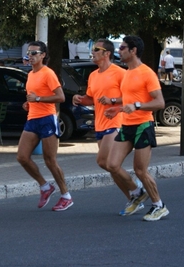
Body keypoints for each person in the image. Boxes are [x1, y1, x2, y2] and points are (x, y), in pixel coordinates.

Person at [72, 38, 144, 216]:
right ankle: (133, 198)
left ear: (107, 53)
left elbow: (131, 97)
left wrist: (113, 100)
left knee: (103, 161)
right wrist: (80, 99)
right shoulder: (93, 75)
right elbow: (91, 98)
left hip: (116, 122)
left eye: (96, 49)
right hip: (100, 124)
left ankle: (137, 190)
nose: (92, 52)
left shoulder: (120, 73)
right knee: (109, 166)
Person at [104, 35, 169, 221]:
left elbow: (159, 102)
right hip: (127, 125)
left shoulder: (147, 73)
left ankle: (159, 205)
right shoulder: (127, 74)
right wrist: (116, 108)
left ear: (133, 51)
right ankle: (137, 192)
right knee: (112, 165)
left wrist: (138, 106)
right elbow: (129, 99)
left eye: (123, 48)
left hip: (143, 125)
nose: (119, 51)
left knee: (140, 170)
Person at [17, 40, 73, 212]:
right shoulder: (30, 75)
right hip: (32, 118)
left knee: (50, 160)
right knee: (22, 157)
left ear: (43, 55)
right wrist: (29, 104)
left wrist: (39, 100)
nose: (31, 56)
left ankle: (66, 196)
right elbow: (33, 97)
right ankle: (45, 186)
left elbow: (61, 97)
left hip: (47, 118)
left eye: (34, 53)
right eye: (29, 53)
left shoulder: (48, 73)